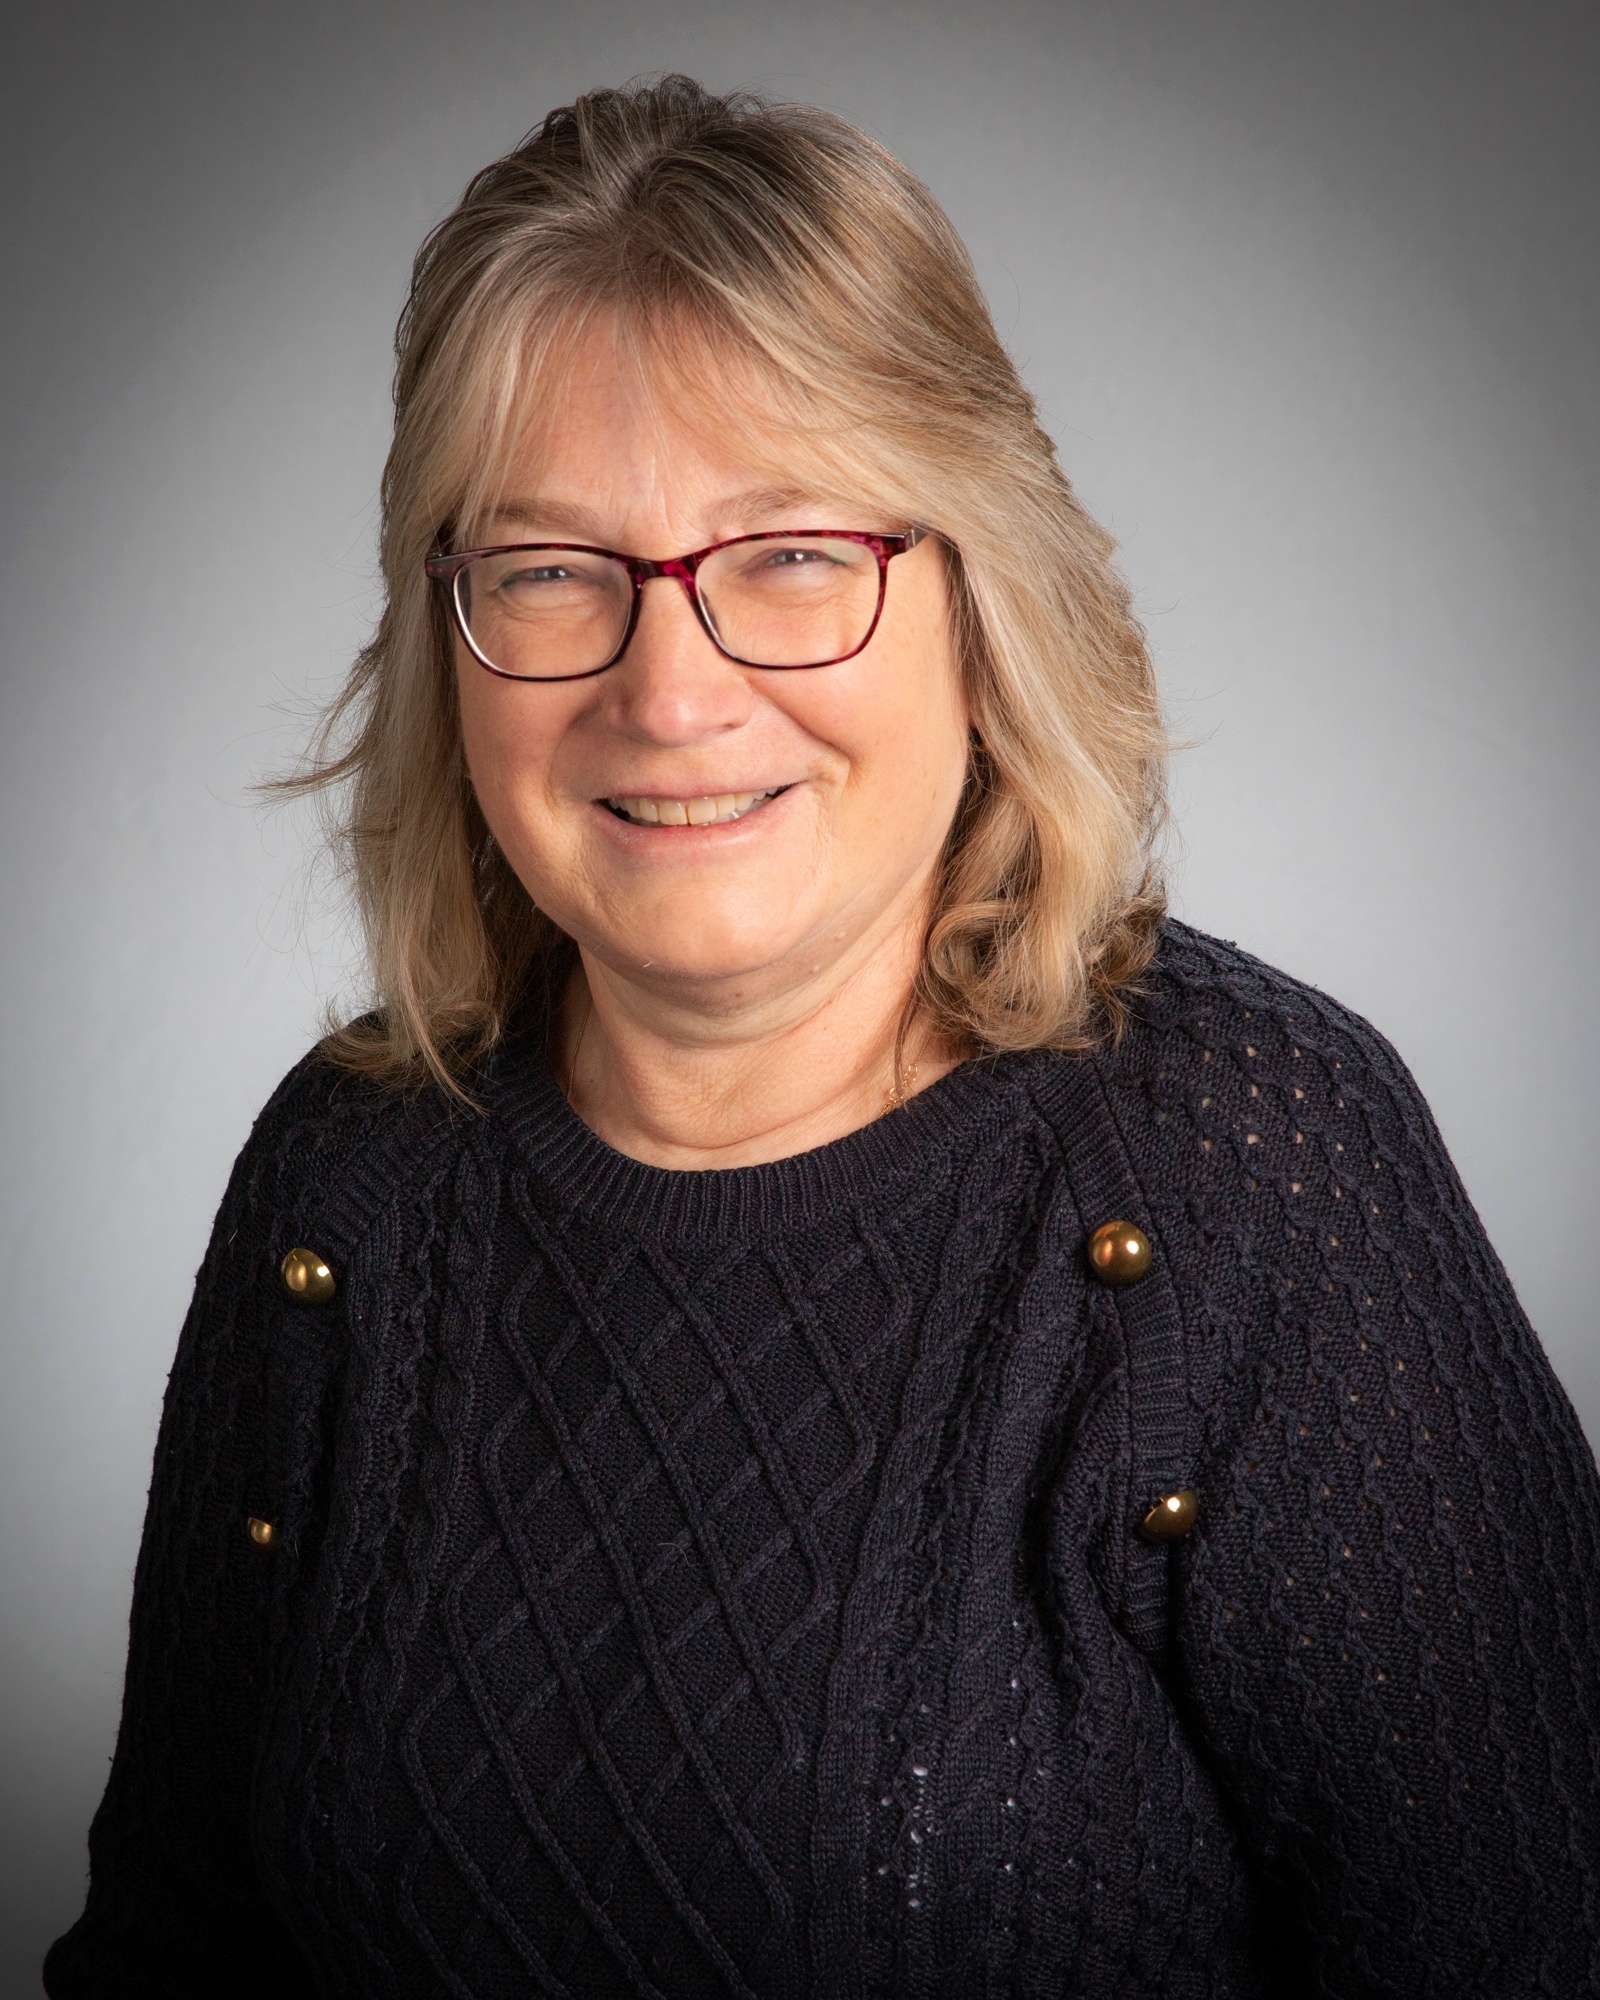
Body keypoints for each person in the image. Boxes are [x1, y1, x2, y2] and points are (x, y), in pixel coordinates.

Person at [45, 75, 1600, 2000]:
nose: (670, 694)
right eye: (550, 568)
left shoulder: (1249, 1167)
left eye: (790, 554)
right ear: (448, 635)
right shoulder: (349, 1173)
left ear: (981, 599)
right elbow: (176, 1944)